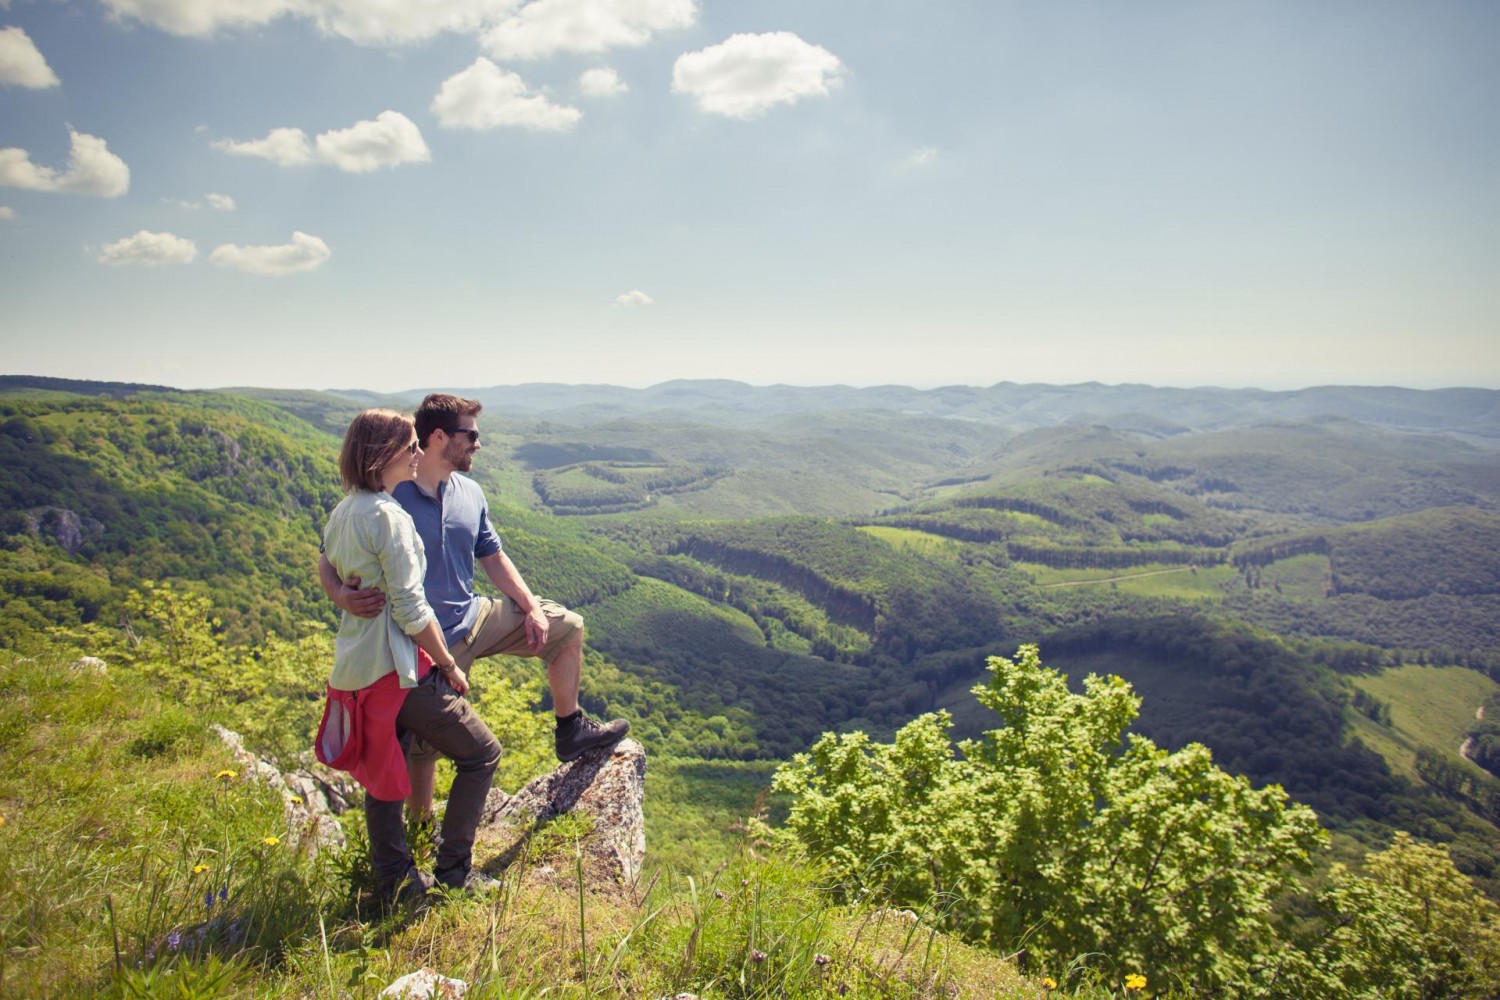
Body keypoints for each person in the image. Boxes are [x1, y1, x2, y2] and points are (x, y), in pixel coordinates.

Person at [320, 393, 628, 827]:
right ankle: (423, 838)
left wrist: (530, 607)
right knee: (422, 751)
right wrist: (340, 594)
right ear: (439, 436)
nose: (478, 444)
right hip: (423, 639)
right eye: (472, 435)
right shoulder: (390, 495)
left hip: (474, 616)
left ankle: (570, 728)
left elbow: (493, 556)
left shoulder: (470, 492)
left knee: (567, 627)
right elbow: (327, 557)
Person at [318, 408, 501, 903]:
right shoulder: (389, 517)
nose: (419, 453)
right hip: (400, 669)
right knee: (482, 753)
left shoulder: (346, 510)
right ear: (386, 455)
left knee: (384, 766)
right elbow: (411, 607)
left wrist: (340, 593)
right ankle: (455, 873)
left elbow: (327, 564)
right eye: (410, 447)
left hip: (358, 670)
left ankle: (394, 881)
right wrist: (446, 662)